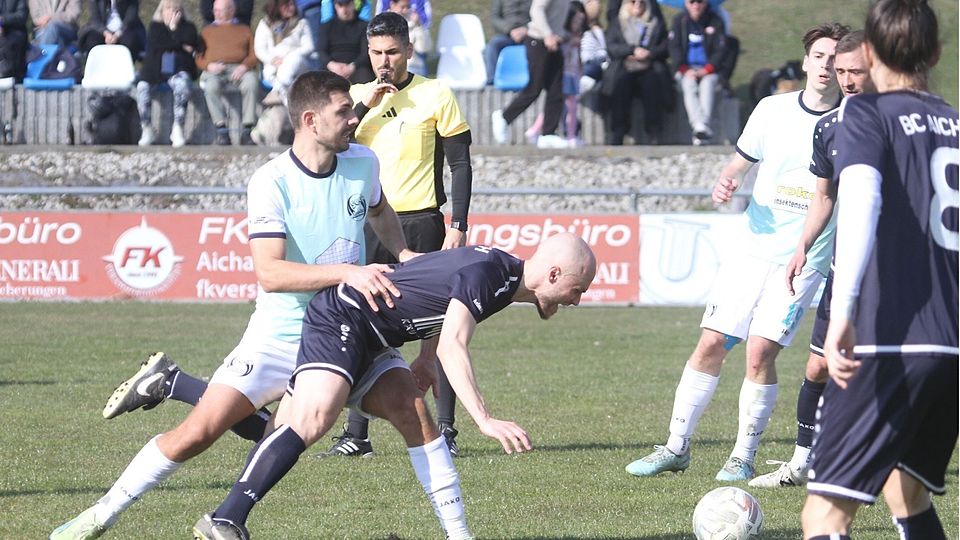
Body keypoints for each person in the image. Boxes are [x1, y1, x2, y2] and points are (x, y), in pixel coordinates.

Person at [49, 70, 415, 540]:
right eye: (344, 111)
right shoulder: (271, 180)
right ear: (310, 120)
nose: (353, 119)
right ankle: (101, 514)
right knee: (201, 433)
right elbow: (271, 274)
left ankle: (219, 503)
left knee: (381, 415)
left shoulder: (363, 162)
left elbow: (380, 210)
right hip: (278, 337)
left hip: (343, 333)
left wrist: (403, 252)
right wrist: (349, 272)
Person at [193, 234, 598, 540]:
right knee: (313, 418)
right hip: (344, 316)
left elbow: (440, 298)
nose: (577, 301)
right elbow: (454, 344)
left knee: (412, 411)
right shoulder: (490, 274)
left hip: (374, 335)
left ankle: (460, 536)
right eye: (577, 289)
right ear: (554, 274)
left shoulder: (501, 275)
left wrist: (425, 358)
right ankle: (225, 518)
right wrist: (485, 419)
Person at [625, 22, 848, 482]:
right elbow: (739, 163)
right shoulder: (771, 109)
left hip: (804, 259)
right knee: (711, 341)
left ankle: (743, 456)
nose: (826, 66)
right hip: (752, 248)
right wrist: (727, 180)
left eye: (834, 58)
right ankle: (675, 447)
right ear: (806, 62)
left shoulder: (854, 121)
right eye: (819, 56)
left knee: (760, 352)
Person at [801, 2, 958, 539]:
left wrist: (842, 313)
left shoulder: (866, 113)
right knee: (905, 492)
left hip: (888, 340)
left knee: (824, 514)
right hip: (951, 347)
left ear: (867, 53)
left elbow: (861, 202)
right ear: (935, 54)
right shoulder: (956, 124)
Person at [324, 10, 475, 458]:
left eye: (392, 52)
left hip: (422, 223)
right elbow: (329, 148)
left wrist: (459, 224)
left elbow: (460, 163)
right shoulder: (354, 97)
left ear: (408, 50)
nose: (383, 61)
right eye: (376, 52)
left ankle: (445, 430)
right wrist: (363, 107)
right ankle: (357, 435)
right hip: (367, 223)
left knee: (442, 327)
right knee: (361, 325)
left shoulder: (435, 93)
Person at [748, 30, 875, 489]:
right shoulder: (830, 128)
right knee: (818, 364)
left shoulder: (897, 123)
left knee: (881, 368)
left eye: (854, 71)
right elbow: (824, 196)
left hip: (893, 270)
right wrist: (803, 244)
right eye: (840, 71)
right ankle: (803, 461)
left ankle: (882, 463)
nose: (846, 80)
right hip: (845, 265)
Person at [491, 0, 572, 149]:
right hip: (538, 41)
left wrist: (562, 34)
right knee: (534, 88)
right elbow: (536, 10)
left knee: (556, 90)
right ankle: (504, 117)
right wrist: (548, 34)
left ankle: (548, 134)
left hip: (554, 42)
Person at [601, 0, 670, 145]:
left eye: (642, 2)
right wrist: (631, 51)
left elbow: (665, 47)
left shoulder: (655, 23)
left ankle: (653, 131)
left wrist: (649, 53)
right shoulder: (617, 23)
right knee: (620, 86)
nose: (638, 4)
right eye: (633, 1)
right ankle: (619, 130)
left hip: (649, 66)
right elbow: (612, 47)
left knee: (652, 86)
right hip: (624, 66)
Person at [136, 0, 199, 148]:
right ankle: (147, 128)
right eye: (168, 8)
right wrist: (179, 44)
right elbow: (158, 45)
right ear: (161, 11)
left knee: (182, 84)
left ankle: (177, 128)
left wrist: (173, 29)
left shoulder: (189, 27)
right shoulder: (154, 27)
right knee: (142, 87)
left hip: (178, 70)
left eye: (176, 9)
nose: (172, 12)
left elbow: (191, 44)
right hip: (155, 71)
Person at [196, 0, 260, 145]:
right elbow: (198, 57)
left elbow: (254, 54)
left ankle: (247, 130)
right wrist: (209, 66)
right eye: (215, 10)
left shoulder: (244, 30)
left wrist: (244, 66)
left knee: (251, 82)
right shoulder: (206, 31)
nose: (216, 13)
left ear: (231, 10)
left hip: (239, 69)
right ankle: (222, 130)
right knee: (210, 86)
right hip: (215, 69)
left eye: (220, 10)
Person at [667, 0, 729, 145]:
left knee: (707, 85)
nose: (696, 5)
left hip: (708, 70)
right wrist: (685, 69)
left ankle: (700, 127)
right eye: (692, 1)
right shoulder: (679, 21)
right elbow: (674, 49)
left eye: (700, 1)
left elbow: (720, 51)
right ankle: (701, 126)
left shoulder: (715, 21)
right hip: (686, 69)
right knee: (688, 85)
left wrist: (706, 69)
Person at [253, 0, 314, 99]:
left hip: (297, 63)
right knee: (274, 74)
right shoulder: (265, 24)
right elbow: (260, 49)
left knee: (293, 60)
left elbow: (309, 46)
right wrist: (272, 59)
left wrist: (287, 56)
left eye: (292, 4)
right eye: (286, 5)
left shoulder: (301, 23)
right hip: (274, 64)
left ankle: (277, 90)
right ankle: (283, 95)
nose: (291, 8)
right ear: (277, 6)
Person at [316, 0, 373, 83]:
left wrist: (352, 67)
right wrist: (332, 65)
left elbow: (366, 52)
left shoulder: (364, 26)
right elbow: (321, 50)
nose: (344, 9)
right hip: (331, 67)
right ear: (335, 6)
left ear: (353, 4)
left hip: (357, 67)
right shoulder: (326, 26)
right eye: (340, 5)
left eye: (347, 4)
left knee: (365, 77)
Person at [78, 0, 146, 60]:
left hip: (124, 29)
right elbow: (95, 19)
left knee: (130, 42)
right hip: (101, 30)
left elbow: (130, 18)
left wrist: (118, 34)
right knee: (92, 42)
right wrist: (106, 33)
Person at [484, 0, 531, 86]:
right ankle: (492, 80)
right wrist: (509, 30)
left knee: (539, 46)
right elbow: (495, 18)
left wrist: (526, 29)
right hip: (507, 35)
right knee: (494, 44)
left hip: (530, 34)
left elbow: (540, 15)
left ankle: (538, 80)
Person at [385, 0, 430, 76]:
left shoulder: (414, 22)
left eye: (408, 7)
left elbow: (423, 49)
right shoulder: (384, 22)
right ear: (392, 5)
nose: (405, 10)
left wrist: (418, 26)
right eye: (402, 7)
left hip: (414, 65)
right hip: (392, 66)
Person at [0, 0, 29, 81]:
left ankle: (7, 73)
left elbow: (22, 16)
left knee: (10, 43)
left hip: (15, 32)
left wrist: (2, 20)